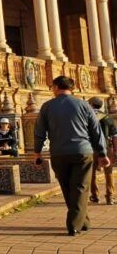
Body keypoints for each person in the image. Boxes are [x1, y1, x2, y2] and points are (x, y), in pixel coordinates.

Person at [34, 76, 108, 235]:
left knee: (68, 188)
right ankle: (77, 223)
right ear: (72, 88)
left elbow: (39, 132)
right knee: (80, 188)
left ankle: (79, 222)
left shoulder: (47, 107)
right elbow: (96, 131)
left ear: (55, 87)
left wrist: (37, 152)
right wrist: (102, 153)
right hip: (82, 152)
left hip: (59, 153)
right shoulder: (84, 105)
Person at [87, 96, 116, 206]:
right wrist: (115, 150)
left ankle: (95, 195)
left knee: (91, 173)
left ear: (91, 105)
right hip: (105, 147)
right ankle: (110, 197)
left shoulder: (86, 117)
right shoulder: (107, 117)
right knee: (108, 172)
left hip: (90, 148)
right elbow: (114, 135)